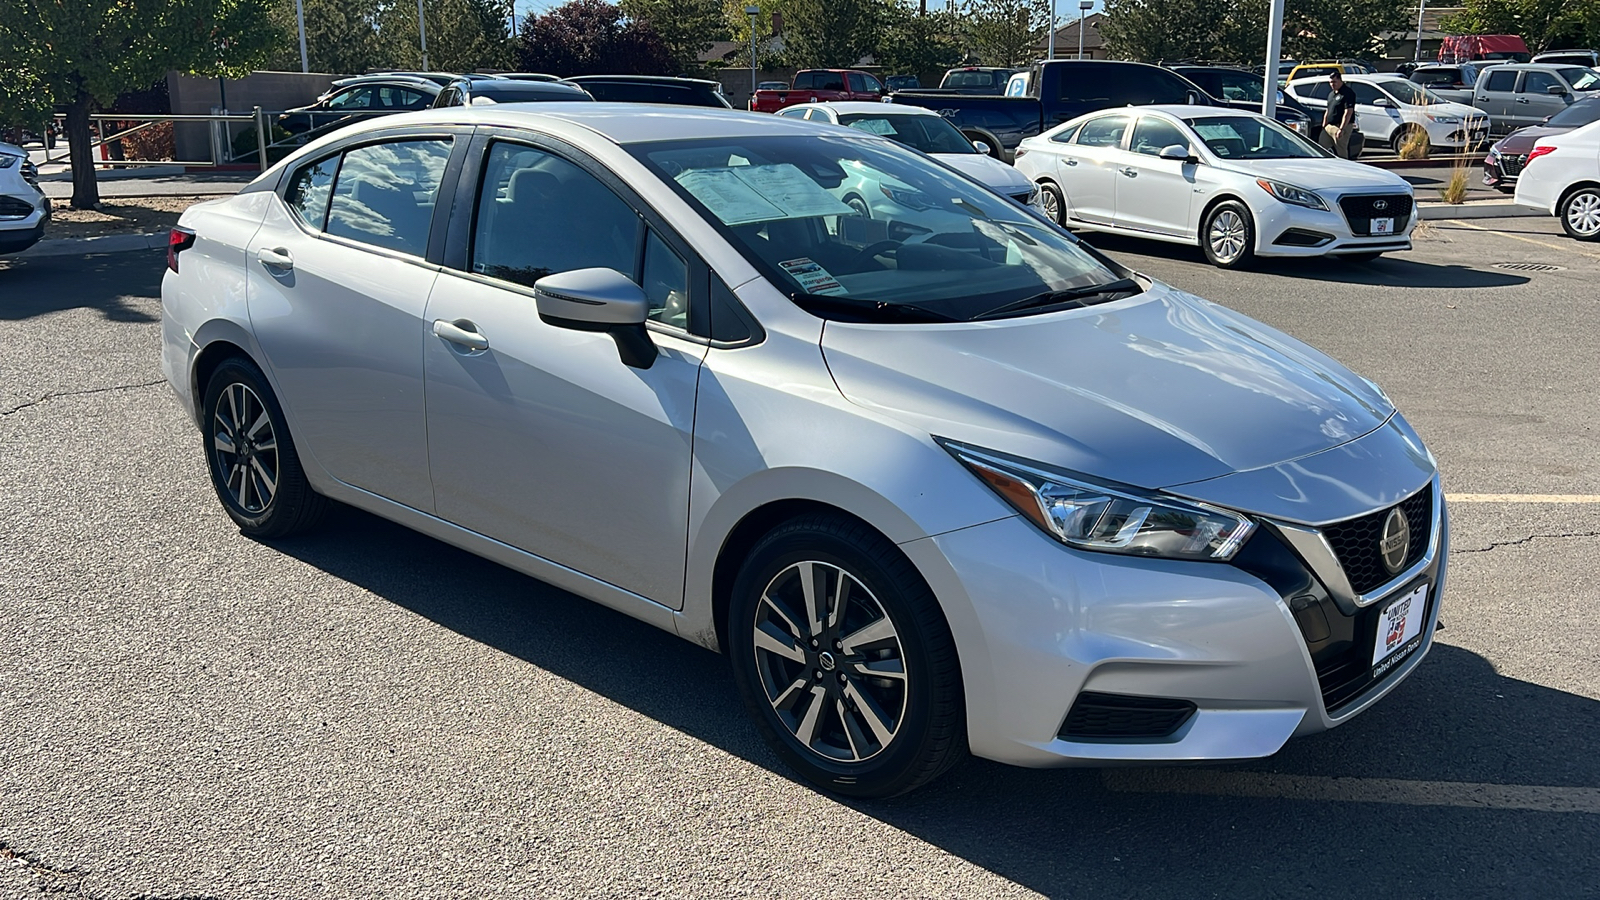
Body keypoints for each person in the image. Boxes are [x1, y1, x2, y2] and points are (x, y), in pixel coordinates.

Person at [1320, 71, 1359, 159]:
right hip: (1329, 126)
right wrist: (1324, 124)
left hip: (1340, 127)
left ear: (1340, 80)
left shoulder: (1347, 93)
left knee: (1341, 151)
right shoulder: (1331, 94)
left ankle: (1345, 169)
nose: (1332, 84)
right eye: (1330, 82)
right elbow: (1328, 109)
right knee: (1321, 149)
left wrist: (1341, 128)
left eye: (1334, 82)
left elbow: (1348, 112)